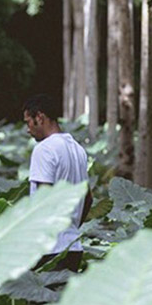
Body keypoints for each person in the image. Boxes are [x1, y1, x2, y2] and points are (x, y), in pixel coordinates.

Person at [23, 93, 92, 272]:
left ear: (39, 117)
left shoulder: (44, 149)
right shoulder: (77, 149)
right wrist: (70, 227)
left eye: (28, 122)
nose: (27, 129)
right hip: (73, 247)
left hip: (49, 249)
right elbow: (88, 198)